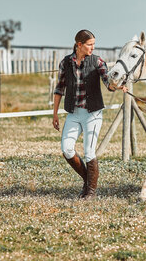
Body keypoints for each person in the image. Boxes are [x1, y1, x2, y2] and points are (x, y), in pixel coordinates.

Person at [52, 29, 124, 199]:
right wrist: (55, 114)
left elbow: (107, 81)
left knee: (89, 151)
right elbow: (59, 88)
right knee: (67, 149)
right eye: (89, 44)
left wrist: (116, 85)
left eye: (93, 44)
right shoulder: (66, 63)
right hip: (74, 113)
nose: (92, 47)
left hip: (93, 113)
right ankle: (88, 181)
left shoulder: (97, 61)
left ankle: (90, 192)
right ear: (79, 45)